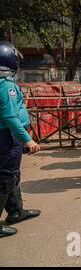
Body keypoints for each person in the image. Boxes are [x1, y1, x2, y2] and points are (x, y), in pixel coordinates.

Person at [0, 41, 41, 238]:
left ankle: (16, 211)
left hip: (9, 136)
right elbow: (9, 117)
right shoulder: (6, 85)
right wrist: (27, 140)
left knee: (12, 176)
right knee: (5, 179)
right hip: (8, 137)